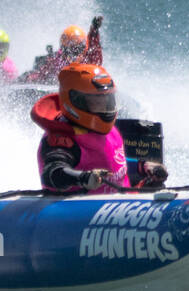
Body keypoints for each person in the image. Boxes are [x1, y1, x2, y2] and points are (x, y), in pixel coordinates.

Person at [29, 62, 167, 193]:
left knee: (157, 184)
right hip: (78, 211)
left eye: (108, 101)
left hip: (118, 206)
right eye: (97, 103)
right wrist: (83, 178)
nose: (106, 109)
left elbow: (112, 165)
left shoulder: (108, 131)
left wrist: (142, 167)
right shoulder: (61, 139)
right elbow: (53, 173)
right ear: (75, 101)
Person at [20, 16, 103, 83]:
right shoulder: (56, 60)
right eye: (69, 50)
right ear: (63, 49)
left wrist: (94, 32)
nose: (73, 54)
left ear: (83, 47)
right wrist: (28, 77)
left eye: (77, 49)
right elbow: (41, 74)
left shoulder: (88, 59)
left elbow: (95, 50)